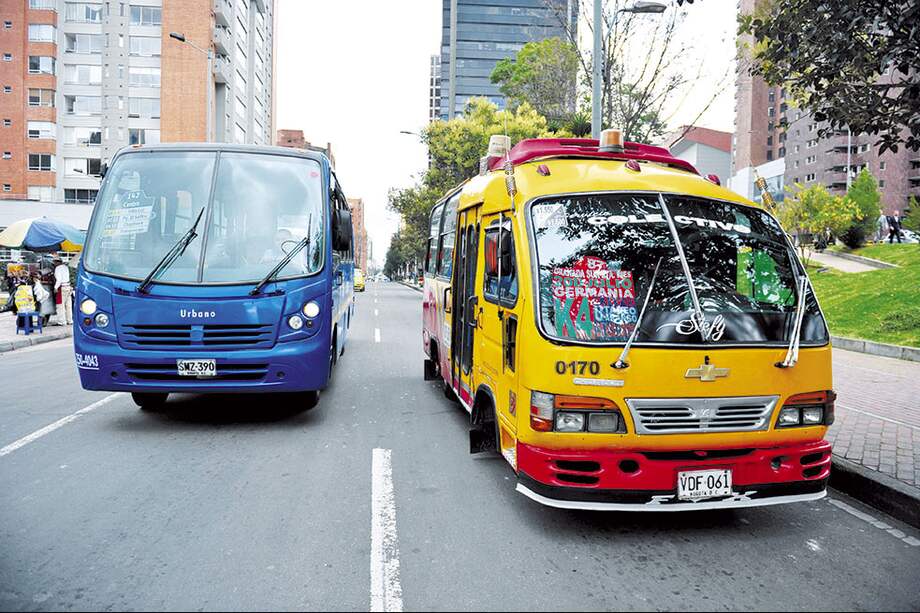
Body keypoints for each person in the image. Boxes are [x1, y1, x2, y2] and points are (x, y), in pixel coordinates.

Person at [53, 257, 73, 325]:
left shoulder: (58, 268)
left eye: (54, 262)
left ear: (57, 262)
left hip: (62, 287)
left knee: (60, 306)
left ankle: (62, 321)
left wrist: (55, 287)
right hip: (68, 286)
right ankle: (69, 320)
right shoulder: (65, 267)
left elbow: (59, 279)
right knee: (68, 305)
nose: (54, 264)